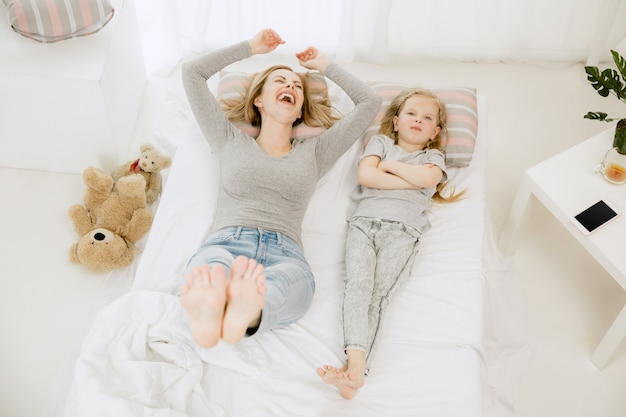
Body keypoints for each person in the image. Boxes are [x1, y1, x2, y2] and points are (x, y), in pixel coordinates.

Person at [178, 29, 381, 349]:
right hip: (228, 242)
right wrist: (251, 48)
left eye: (297, 86)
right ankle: (216, 304)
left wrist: (326, 66)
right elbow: (192, 73)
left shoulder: (316, 151)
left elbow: (370, 102)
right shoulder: (227, 137)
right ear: (258, 98)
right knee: (214, 266)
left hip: (284, 254)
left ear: (300, 110)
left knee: (292, 285)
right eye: (280, 81)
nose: (290, 85)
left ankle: (246, 312)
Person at [317, 88, 464, 399]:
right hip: (363, 226)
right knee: (358, 288)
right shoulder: (380, 143)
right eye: (411, 113)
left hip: (403, 231)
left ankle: (353, 370)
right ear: (396, 121)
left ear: (435, 132)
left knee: (377, 297)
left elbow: (428, 179)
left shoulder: (432, 157)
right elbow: (367, 177)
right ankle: (355, 370)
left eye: (427, 118)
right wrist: (407, 176)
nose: (418, 120)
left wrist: (390, 166)